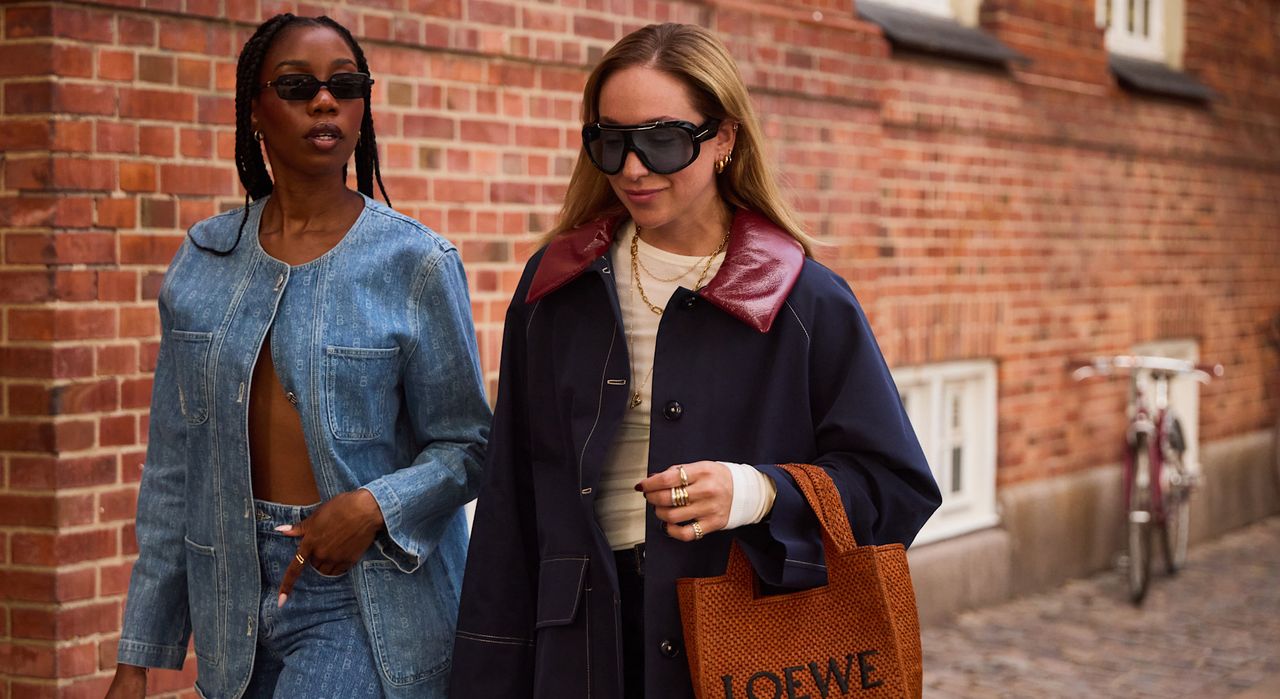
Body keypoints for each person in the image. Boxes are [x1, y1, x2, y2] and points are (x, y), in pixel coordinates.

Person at [450, 22, 941, 699]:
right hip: (579, 655)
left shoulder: (805, 300)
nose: (631, 168)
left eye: (662, 140)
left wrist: (755, 492)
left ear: (726, 139)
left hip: (747, 649)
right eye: (609, 141)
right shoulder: (555, 288)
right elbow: (509, 505)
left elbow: (897, 488)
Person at [105, 14, 489, 699]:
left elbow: (468, 445)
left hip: (365, 597)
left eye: (345, 84)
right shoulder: (202, 262)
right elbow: (173, 471)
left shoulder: (417, 263)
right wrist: (137, 659)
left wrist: (373, 504)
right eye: (297, 86)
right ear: (254, 108)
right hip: (230, 599)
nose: (324, 101)